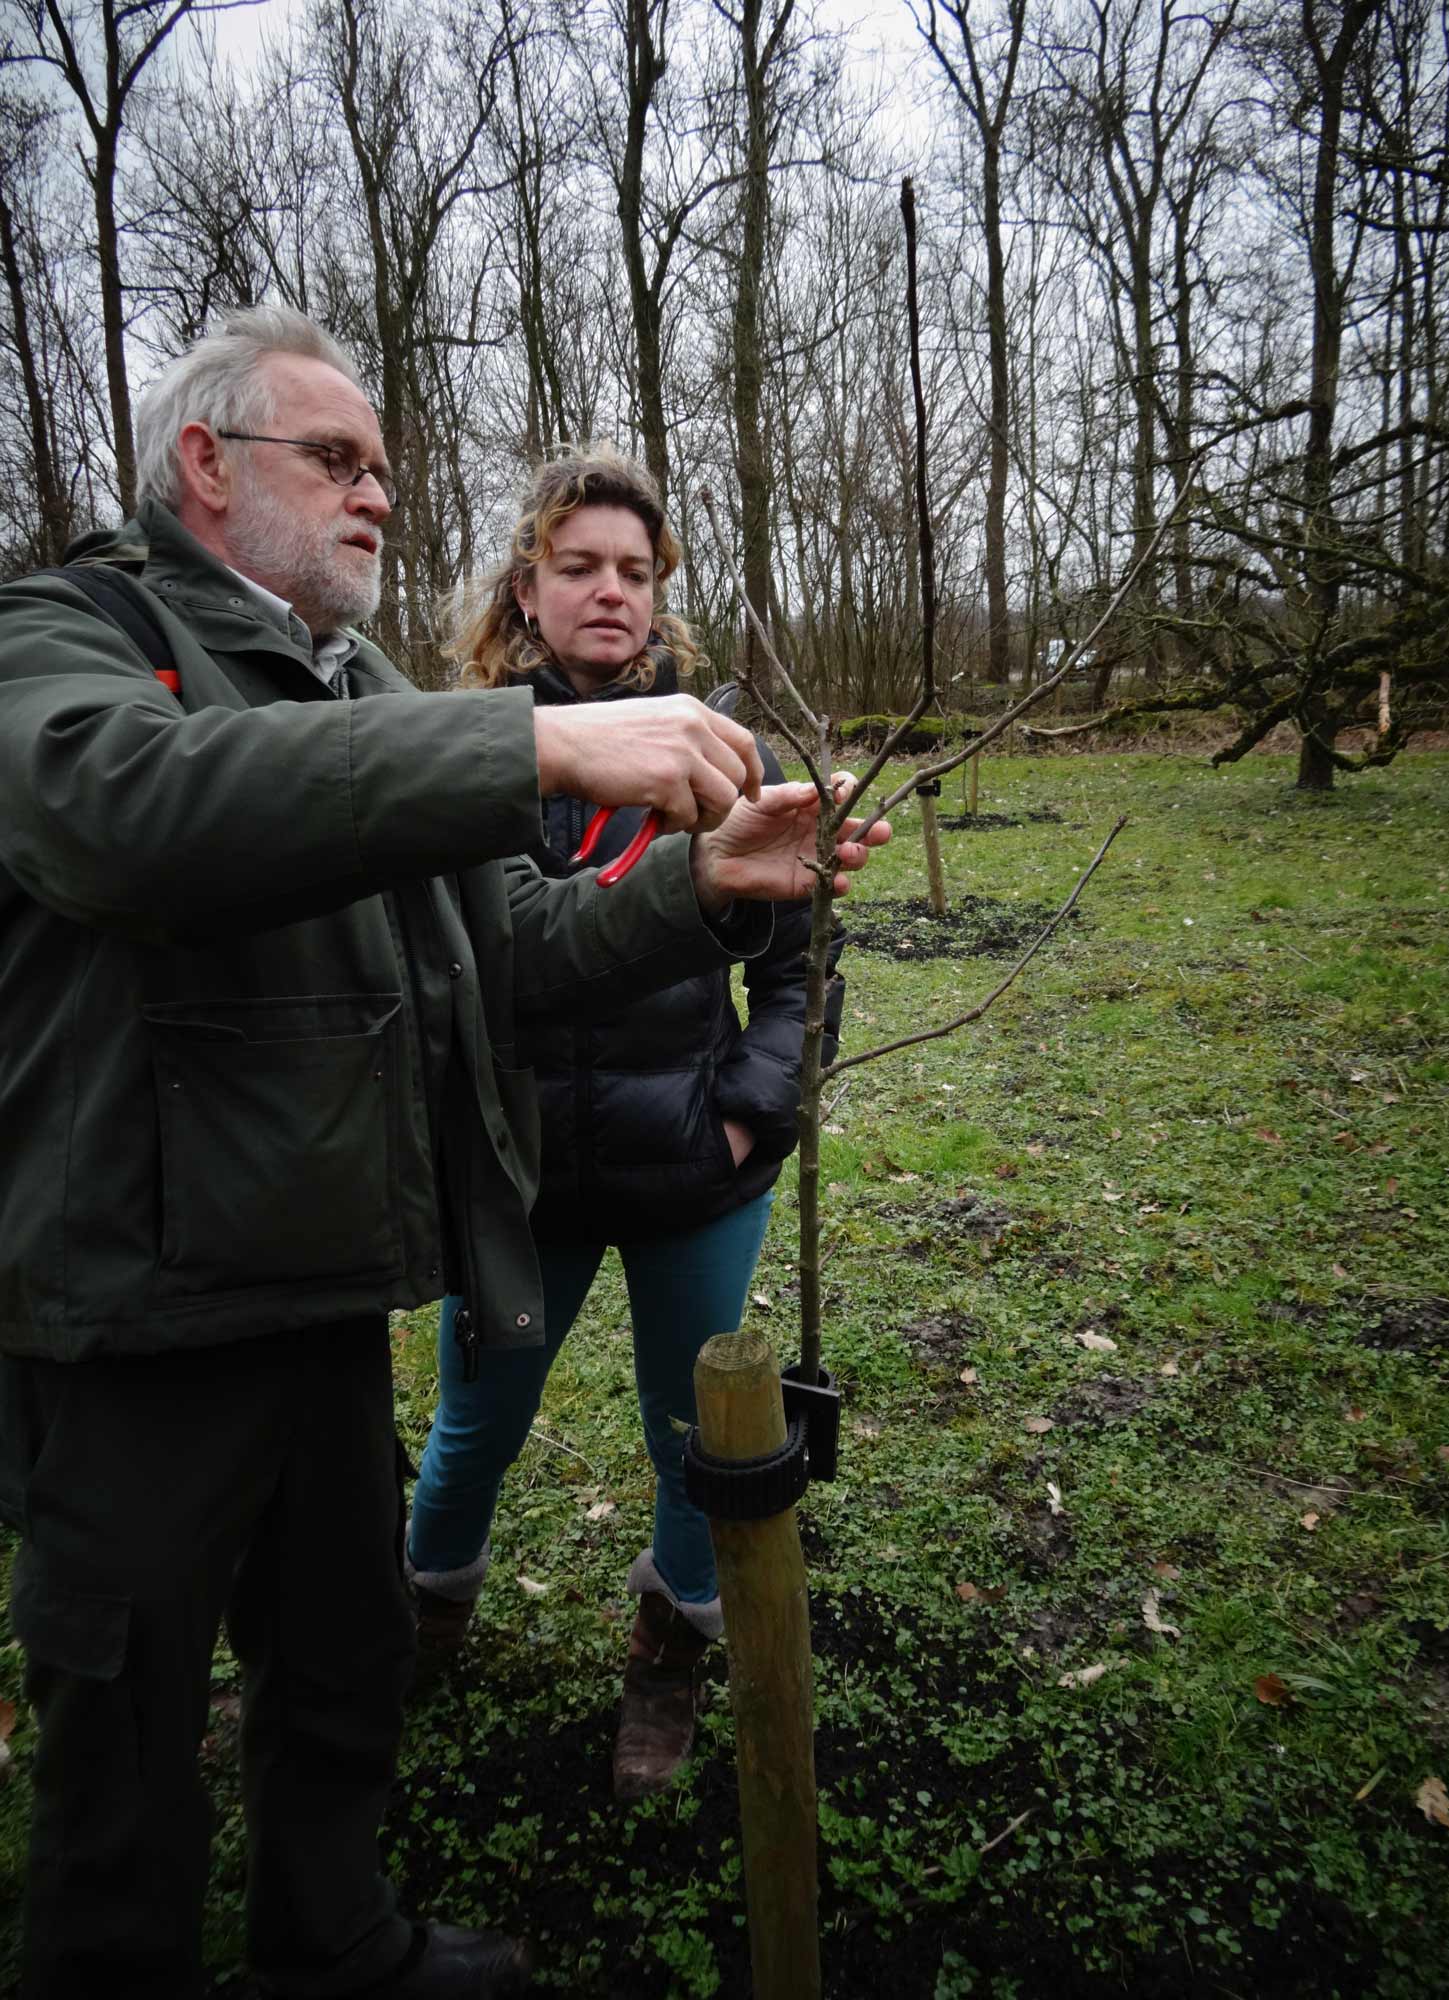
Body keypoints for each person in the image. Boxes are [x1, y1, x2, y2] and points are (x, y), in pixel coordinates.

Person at [0, 306, 888, 2000]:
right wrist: (529, 741)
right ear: (206, 462)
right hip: (129, 1319)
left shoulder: (359, 683)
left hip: (320, 1293)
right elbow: (118, 810)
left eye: (387, 473)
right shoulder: (69, 633)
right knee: (120, 1757)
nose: (376, 499)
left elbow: (518, 948)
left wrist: (703, 889)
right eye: (336, 460)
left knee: (337, 1665)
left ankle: (339, 1940)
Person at [405, 446, 845, 1798]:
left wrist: (746, 1119)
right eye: (578, 566)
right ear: (524, 588)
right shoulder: (458, 756)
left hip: (689, 1171)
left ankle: (669, 1645)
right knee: (474, 1420)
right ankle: (417, 1627)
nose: (609, 592)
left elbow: (798, 975)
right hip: (517, 1180)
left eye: (635, 572)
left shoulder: (731, 757)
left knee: (692, 1429)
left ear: (662, 597)